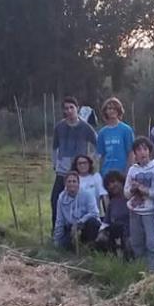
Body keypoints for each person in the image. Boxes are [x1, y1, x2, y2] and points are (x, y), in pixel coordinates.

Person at [51, 96, 97, 228]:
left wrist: (90, 159)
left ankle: (78, 231)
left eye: (72, 107)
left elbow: (97, 144)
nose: (69, 110)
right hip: (62, 171)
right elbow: (54, 147)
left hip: (78, 171)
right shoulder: (59, 127)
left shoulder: (85, 127)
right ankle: (56, 231)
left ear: (77, 108)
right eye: (66, 108)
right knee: (55, 200)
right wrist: (55, 163)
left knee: (78, 202)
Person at [124, 137, 154, 272]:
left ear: (150, 151)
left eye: (145, 149)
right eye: (139, 149)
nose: (142, 152)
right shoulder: (132, 170)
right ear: (135, 153)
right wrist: (132, 189)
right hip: (134, 211)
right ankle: (140, 270)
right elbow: (126, 193)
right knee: (136, 242)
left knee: (151, 243)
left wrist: (144, 190)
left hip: (150, 212)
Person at [53, 171, 101, 250]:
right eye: (69, 181)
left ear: (78, 183)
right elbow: (60, 220)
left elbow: (94, 213)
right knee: (63, 245)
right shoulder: (61, 198)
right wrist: (56, 239)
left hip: (86, 226)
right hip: (71, 228)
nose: (71, 184)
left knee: (93, 222)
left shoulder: (87, 194)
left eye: (74, 181)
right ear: (65, 184)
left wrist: (79, 223)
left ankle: (90, 246)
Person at [96, 97, 135, 175]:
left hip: (122, 171)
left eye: (115, 108)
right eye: (109, 108)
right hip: (106, 172)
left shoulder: (126, 130)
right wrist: (100, 172)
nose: (112, 111)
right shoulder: (102, 133)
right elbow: (101, 156)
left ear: (119, 111)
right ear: (105, 111)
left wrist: (128, 171)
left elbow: (131, 153)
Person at [96, 170, 131, 256]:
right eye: (108, 185)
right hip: (115, 233)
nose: (111, 186)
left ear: (121, 181)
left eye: (113, 182)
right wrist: (101, 233)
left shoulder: (131, 198)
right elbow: (105, 223)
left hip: (131, 232)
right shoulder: (112, 202)